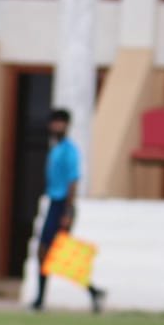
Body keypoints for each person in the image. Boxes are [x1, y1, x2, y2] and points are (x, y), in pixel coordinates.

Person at [30, 108, 106, 313]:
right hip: (54, 203)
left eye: (60, 122)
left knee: (53, 252)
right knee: (53, 252)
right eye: (54, 122)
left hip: (62, 204)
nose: (57, 126)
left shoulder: (70, 150)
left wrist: (67, 211)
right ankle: (93, 292)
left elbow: (73, 182)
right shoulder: (56, 149)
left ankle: (41, 300)